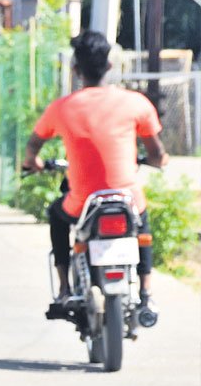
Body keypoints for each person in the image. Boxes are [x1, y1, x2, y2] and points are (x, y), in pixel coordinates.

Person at [23, 30, 168, 309]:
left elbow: (33, 146)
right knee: (142, 220)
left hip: (83, 202)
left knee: (57, 214)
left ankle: (64, 288)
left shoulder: (61, 108)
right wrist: (158, 161)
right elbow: (157, 154)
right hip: (126, 198)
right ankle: (146, 293)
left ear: (76, 70)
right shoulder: (136, 103)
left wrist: (33, 163)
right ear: (109, 66)